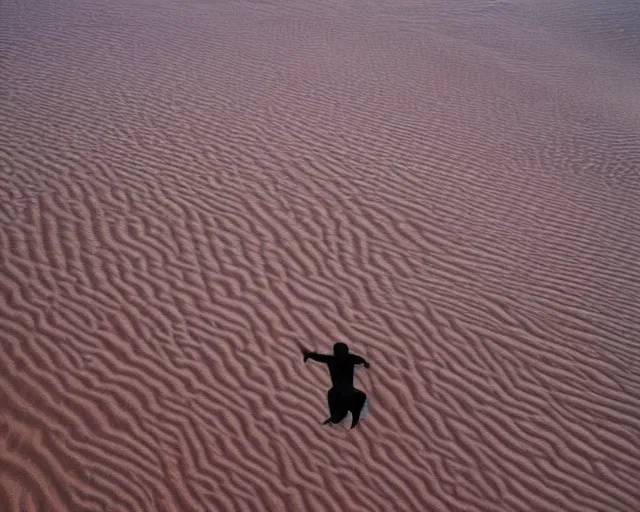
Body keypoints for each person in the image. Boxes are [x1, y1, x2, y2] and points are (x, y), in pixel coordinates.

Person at [303, 342, 370, 428]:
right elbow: (361, 360)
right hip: (349, 391)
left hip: (337, 392)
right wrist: (365, 364)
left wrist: (308, 356)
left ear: (335, 352)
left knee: (337, 415)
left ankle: (345, 415)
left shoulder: (332, 359)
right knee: (360, 397)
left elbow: (318, 357)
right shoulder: (350, 358)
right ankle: (349, 414)